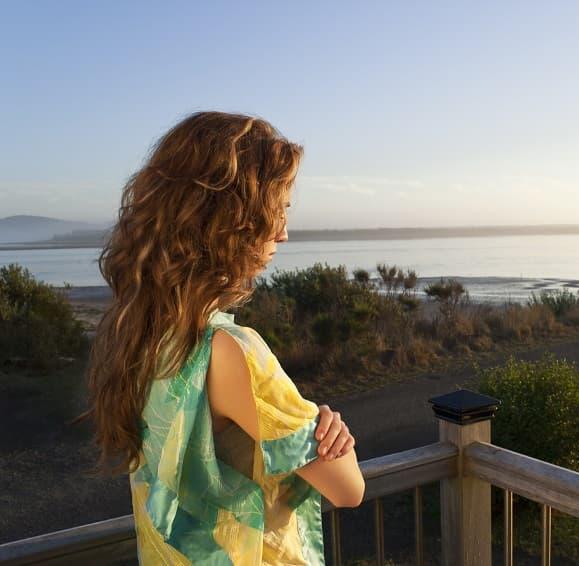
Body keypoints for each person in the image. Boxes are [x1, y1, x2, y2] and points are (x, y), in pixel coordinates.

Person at [74, 111, 365, 564]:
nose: (284, 233)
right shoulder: (230, 351)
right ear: (229, 220)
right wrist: (334, 435)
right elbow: (348, 489)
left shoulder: (136, 331)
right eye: (277, 210)